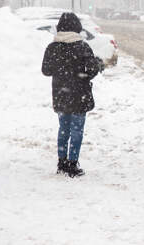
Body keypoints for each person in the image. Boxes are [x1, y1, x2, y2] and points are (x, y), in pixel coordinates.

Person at [42, 12, 103, 177]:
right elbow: (91, 70)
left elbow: (46, 71)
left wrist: (61, 69)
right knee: (77, 129)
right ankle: (72, 163)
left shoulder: (52, 47)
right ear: (77, 27)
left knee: (63, 128)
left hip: (61, 94)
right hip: (79, 94)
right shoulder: (82, 47)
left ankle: (62, 162)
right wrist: (94, 65)